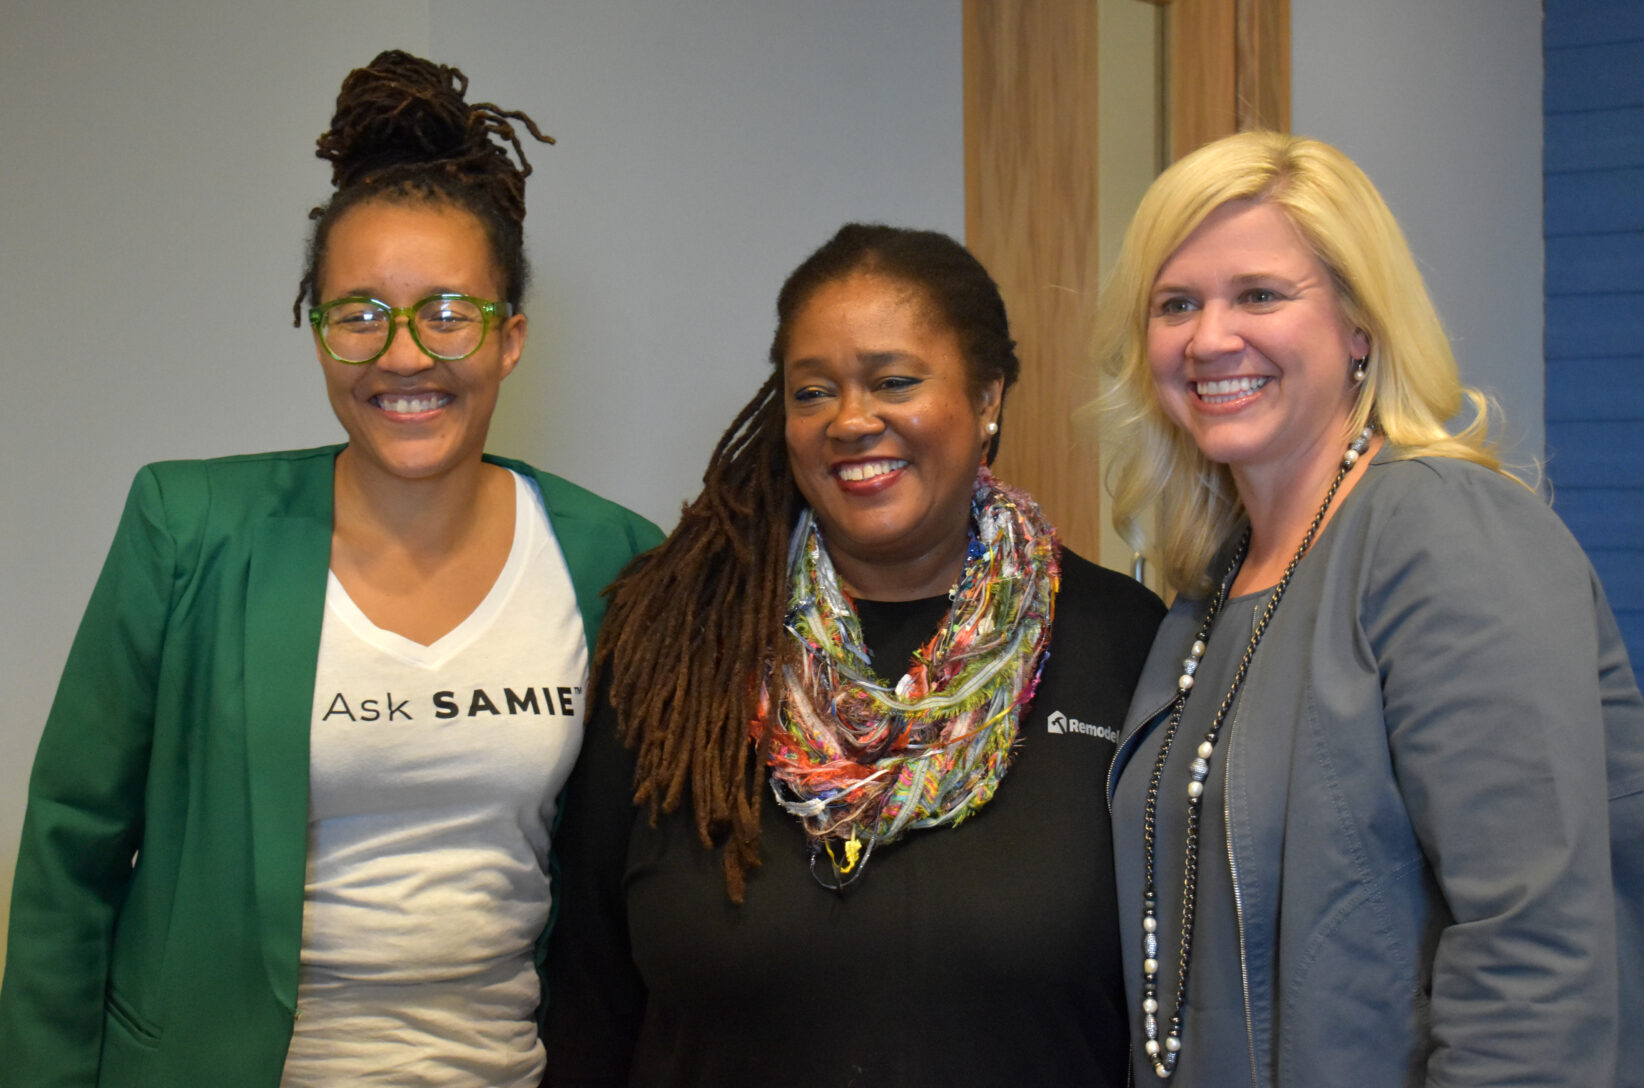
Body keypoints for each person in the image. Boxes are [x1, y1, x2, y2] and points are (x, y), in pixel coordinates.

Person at [0, 51, 660, 1087]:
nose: (402, 355)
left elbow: (634, 888)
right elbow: (69, 856)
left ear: (510, 337)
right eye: (358, 313)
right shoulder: (190, 529)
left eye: (448, 312)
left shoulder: (611, 559)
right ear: (316, 333)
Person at [539, 222, 1164, 1086]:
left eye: (894, 381)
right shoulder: (676, 644)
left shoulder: (1123, 640)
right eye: (812, 392)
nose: (851, 421)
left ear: (988, 396)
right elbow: (589, 995)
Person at [1097, 129, 1644, 1086]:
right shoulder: (1210, 587)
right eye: (1175, 304)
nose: (1209, 337)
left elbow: (1538, 955)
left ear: (1360, 324)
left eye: (1259, 295)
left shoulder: (1445, 531)